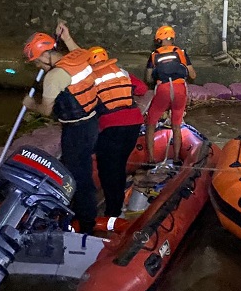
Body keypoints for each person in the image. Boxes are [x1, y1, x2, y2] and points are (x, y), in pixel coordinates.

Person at [54, 22, 149, 217]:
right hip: (133, 124)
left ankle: (114, 213)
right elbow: (142, 89)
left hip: (112, 127)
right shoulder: (121, 72)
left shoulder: (89, 76)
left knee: (108, 171)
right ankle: (117, 205)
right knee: (119, 165)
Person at [22, 31, 100, 234]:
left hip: (76, 130)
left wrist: (32, 105)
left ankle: (85, 223)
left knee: (78, 175)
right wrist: (66, 36)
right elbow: (77, 50)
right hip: (91, 123)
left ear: (43, 56)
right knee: (78, 169)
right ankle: (80, 212)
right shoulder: (79, 57)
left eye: (37, 63)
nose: (38, 67)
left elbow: (46, 110)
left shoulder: (54, 77)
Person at [144, 25, 197, 166]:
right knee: (176, 124)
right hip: (180, 89)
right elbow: (192, 75)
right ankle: (176, 159)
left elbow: (149, 78)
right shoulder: (181, 53)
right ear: (172, 38)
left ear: (158, 40)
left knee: (150, 123)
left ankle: (150, 159)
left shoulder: (154, 55)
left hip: (163, 89)